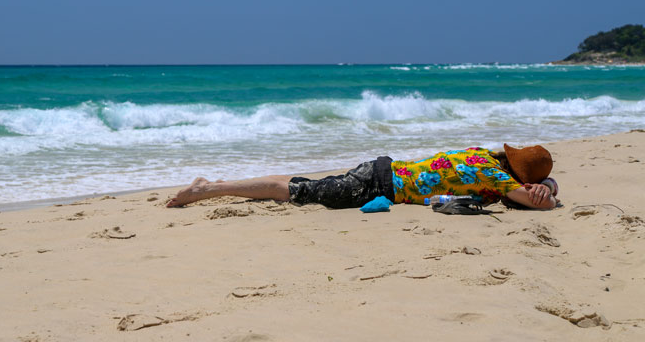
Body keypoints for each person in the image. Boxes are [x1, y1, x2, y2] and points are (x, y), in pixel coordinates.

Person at [166, 144, 560, 210]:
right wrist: (550, 193)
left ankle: (214, 183)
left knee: (301, 183)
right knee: (293, 192)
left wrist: (545, 185)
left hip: (381, 170)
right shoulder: (494, 176)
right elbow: (535, 202)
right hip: (378, 185)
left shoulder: (478, 155)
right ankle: (207, 190)